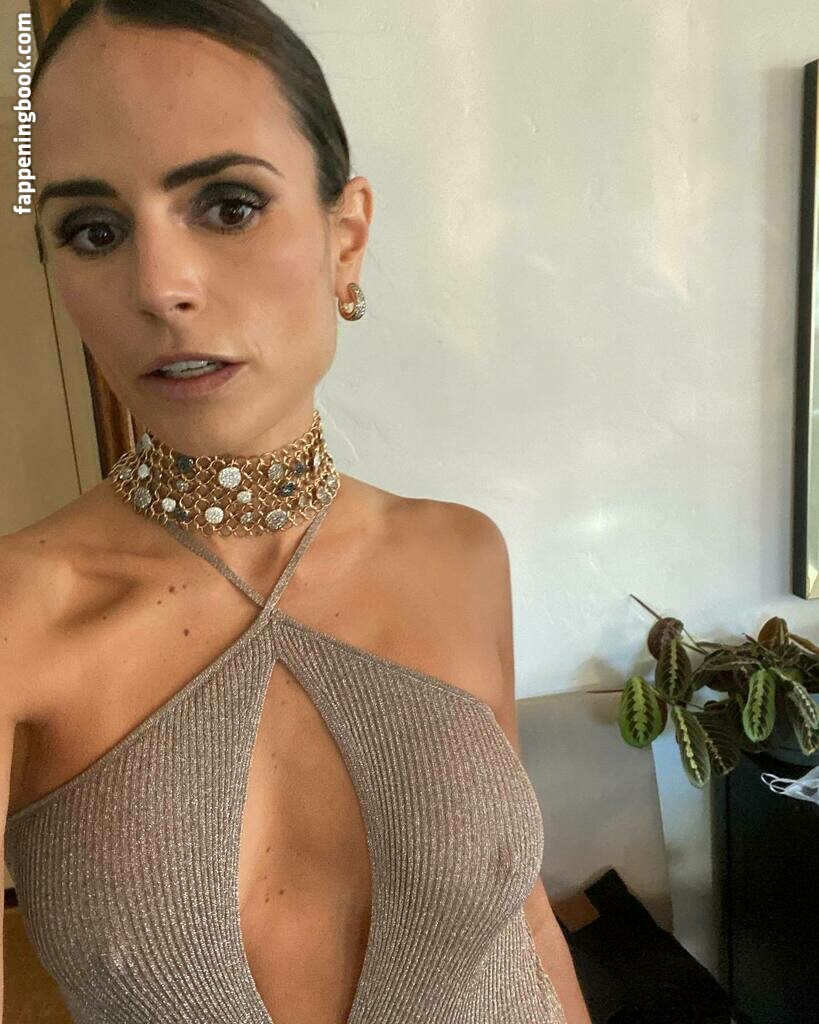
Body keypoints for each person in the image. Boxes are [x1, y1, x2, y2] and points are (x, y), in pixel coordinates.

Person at [1, 2, 590, 1022]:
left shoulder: (459, 555)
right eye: (93, 231)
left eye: (228, 206)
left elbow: (523, 921)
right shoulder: (20, 617)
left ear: (345, 238)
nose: (160, 286)